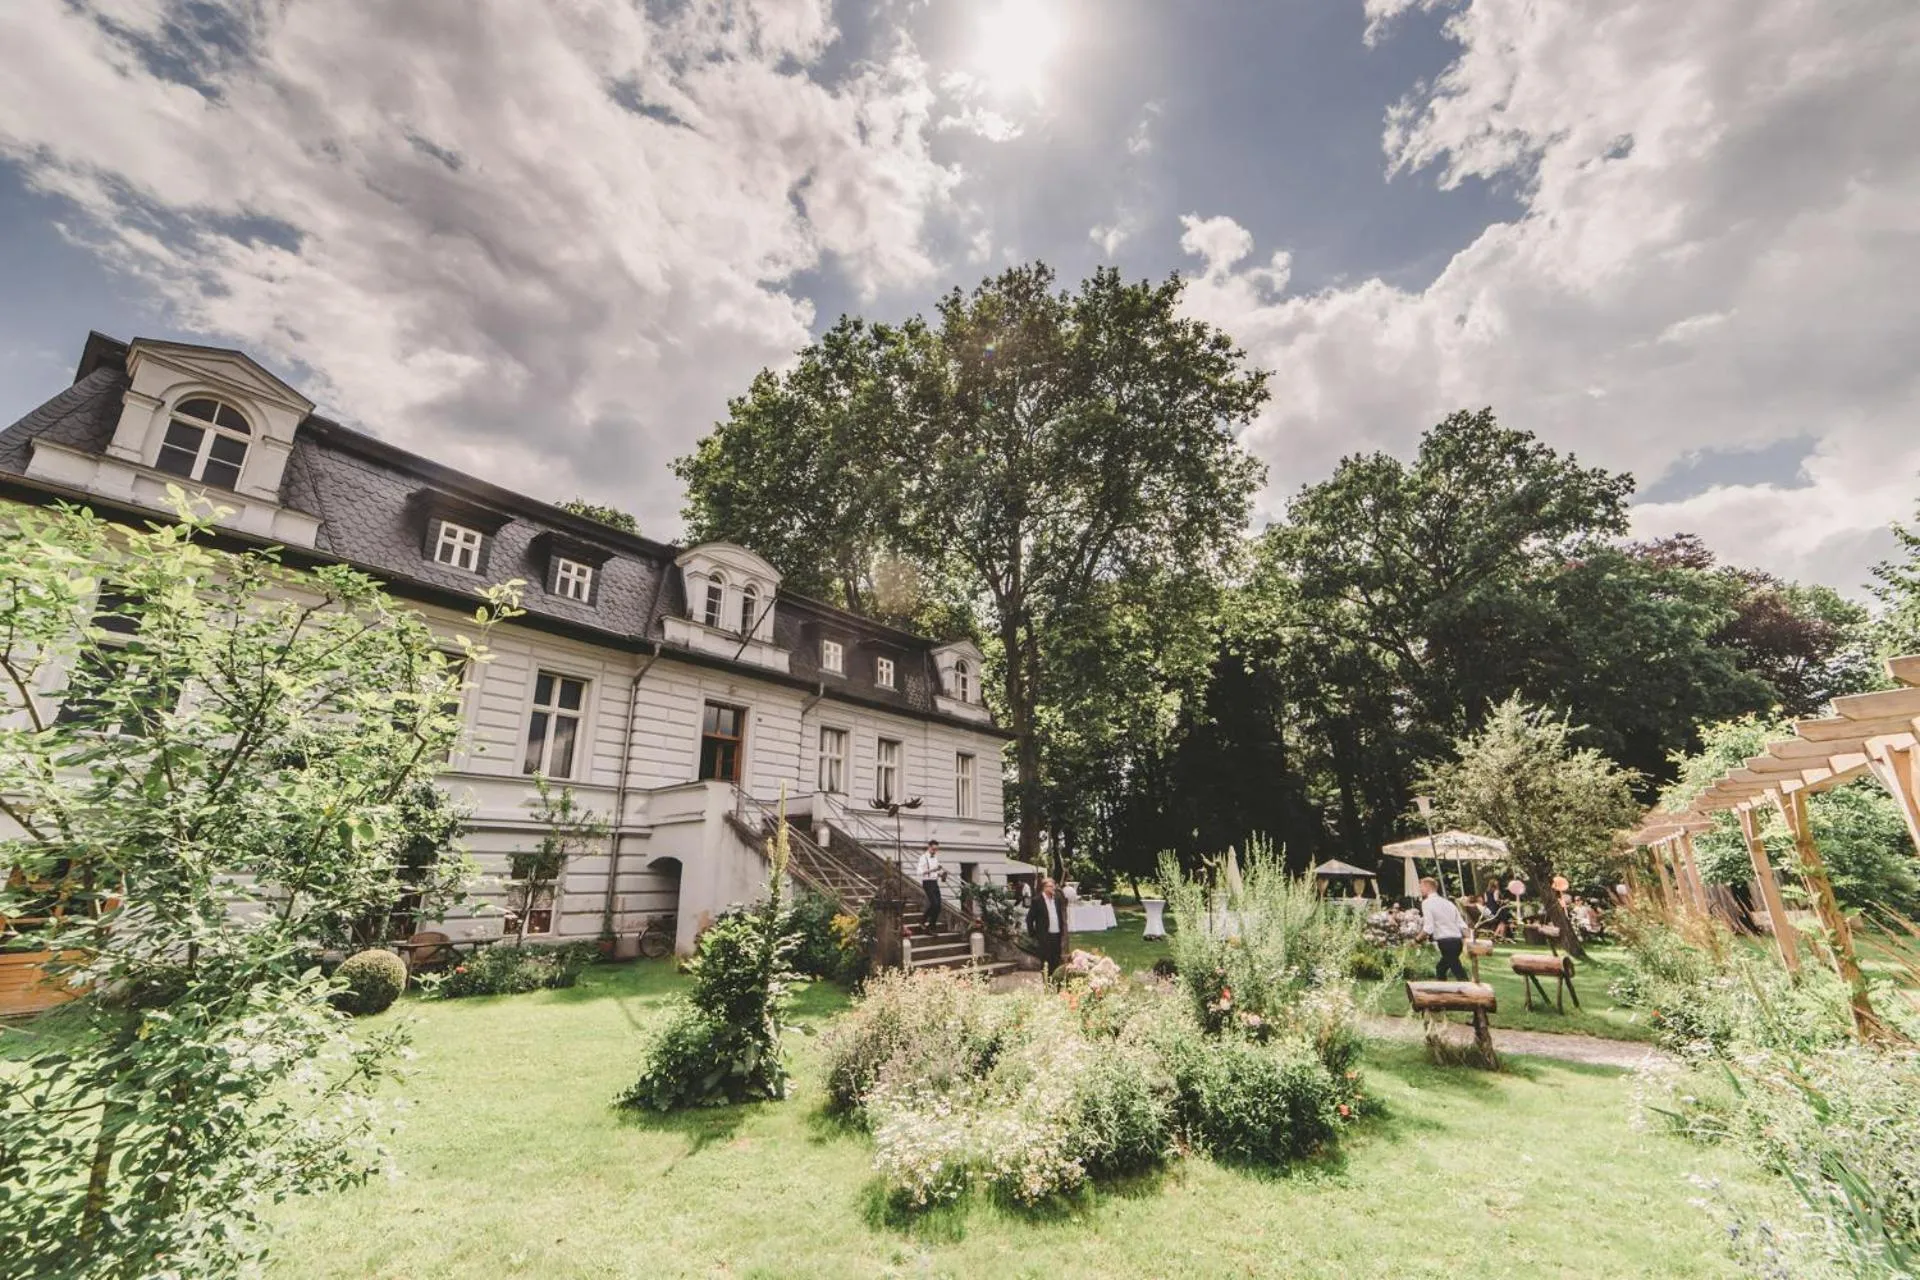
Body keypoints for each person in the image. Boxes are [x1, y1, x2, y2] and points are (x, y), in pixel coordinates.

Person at [1418, 876, 1469, 981]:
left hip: (1446, 942)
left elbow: (1428, 928)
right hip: (1457, 942)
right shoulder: (1448, 903)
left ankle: (1472, 992)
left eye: (1421, 887)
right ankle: (1443, 992)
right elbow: (1462, 925)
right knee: (1441, 968)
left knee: (1457, 970)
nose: (1420, 890)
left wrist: (1416, 939)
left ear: (1427, 887)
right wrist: (1470, 940)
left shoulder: (1427, 903)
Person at [1026, 876, 1066, 975]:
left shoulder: (1056, 899)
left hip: (1056, 934)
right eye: (1050, 886)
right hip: (1044, 935)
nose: (1053, 889)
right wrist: (1033, 934)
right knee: (1046, 960)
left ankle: (1056, 981)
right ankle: (1046, 982)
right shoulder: (1037, 900)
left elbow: (1059, 915)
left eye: (1053, 886)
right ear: (1044, 887)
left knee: (1056, 958)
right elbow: (1029, 919)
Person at [915, 840, 944, 933]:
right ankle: (924, 922)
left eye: (936, 849)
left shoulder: (935, 858)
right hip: (927, 883)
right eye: (933, 849)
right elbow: (919, 872)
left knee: (938, 906)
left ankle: (930, 925)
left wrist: (941, 874)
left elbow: (935, 872)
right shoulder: (923, 858)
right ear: (929, 847)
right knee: (934, 904)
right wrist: (933, 870)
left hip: (934, 882)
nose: (934, 851)